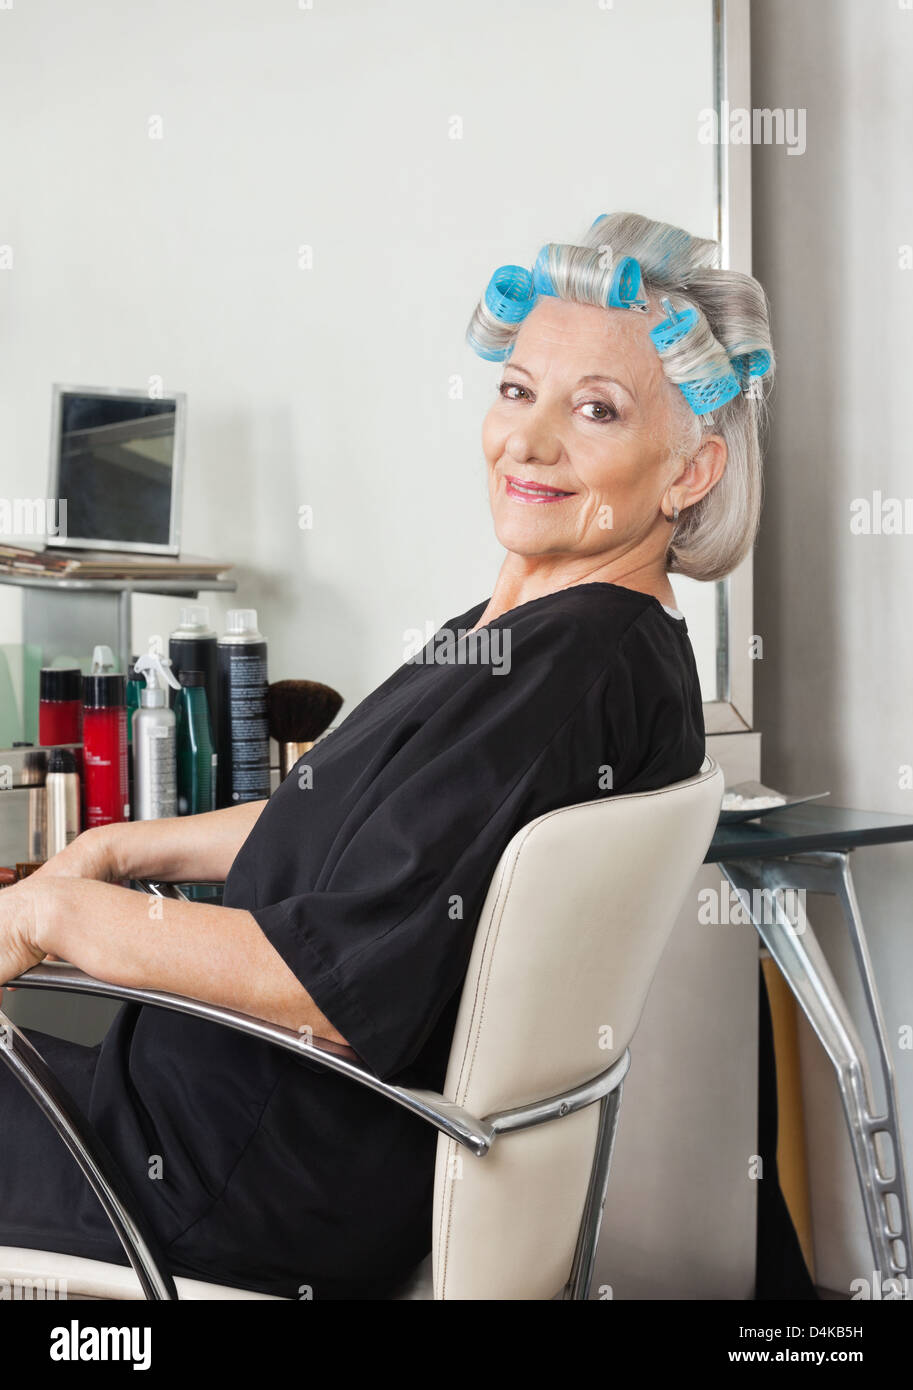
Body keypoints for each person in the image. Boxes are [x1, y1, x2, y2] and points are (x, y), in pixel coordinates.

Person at [0, 211, 773, 1298]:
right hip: (205, 1138)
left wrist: (46, 914)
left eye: (594, 409)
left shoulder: (560, 677)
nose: (529, 440)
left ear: (690, 471)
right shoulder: (555, 634)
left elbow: (330, 984)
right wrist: (123, 848)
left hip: (207, 1185)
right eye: (517, 387)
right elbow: (346, 815)